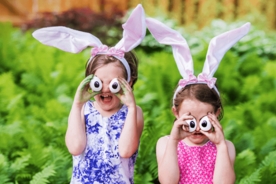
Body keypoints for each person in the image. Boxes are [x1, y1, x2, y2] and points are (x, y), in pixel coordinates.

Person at [32, 4, 146, 184]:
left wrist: (131, 107)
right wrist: (77, 105)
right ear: (89, 83)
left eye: (114, 84)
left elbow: (125, 151)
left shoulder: (133, 113)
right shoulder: (83, 110)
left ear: (129, 83)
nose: (106, 89)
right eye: (98, 82)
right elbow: (75, 147)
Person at [146, 18, 251, 184]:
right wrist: (174, 140)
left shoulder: (225, 147)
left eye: (204, 121)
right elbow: (168, 181)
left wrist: (221, 145)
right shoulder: (166, 143)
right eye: (189, 120)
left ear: (216, 114)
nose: (196, 128)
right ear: (176, 112)